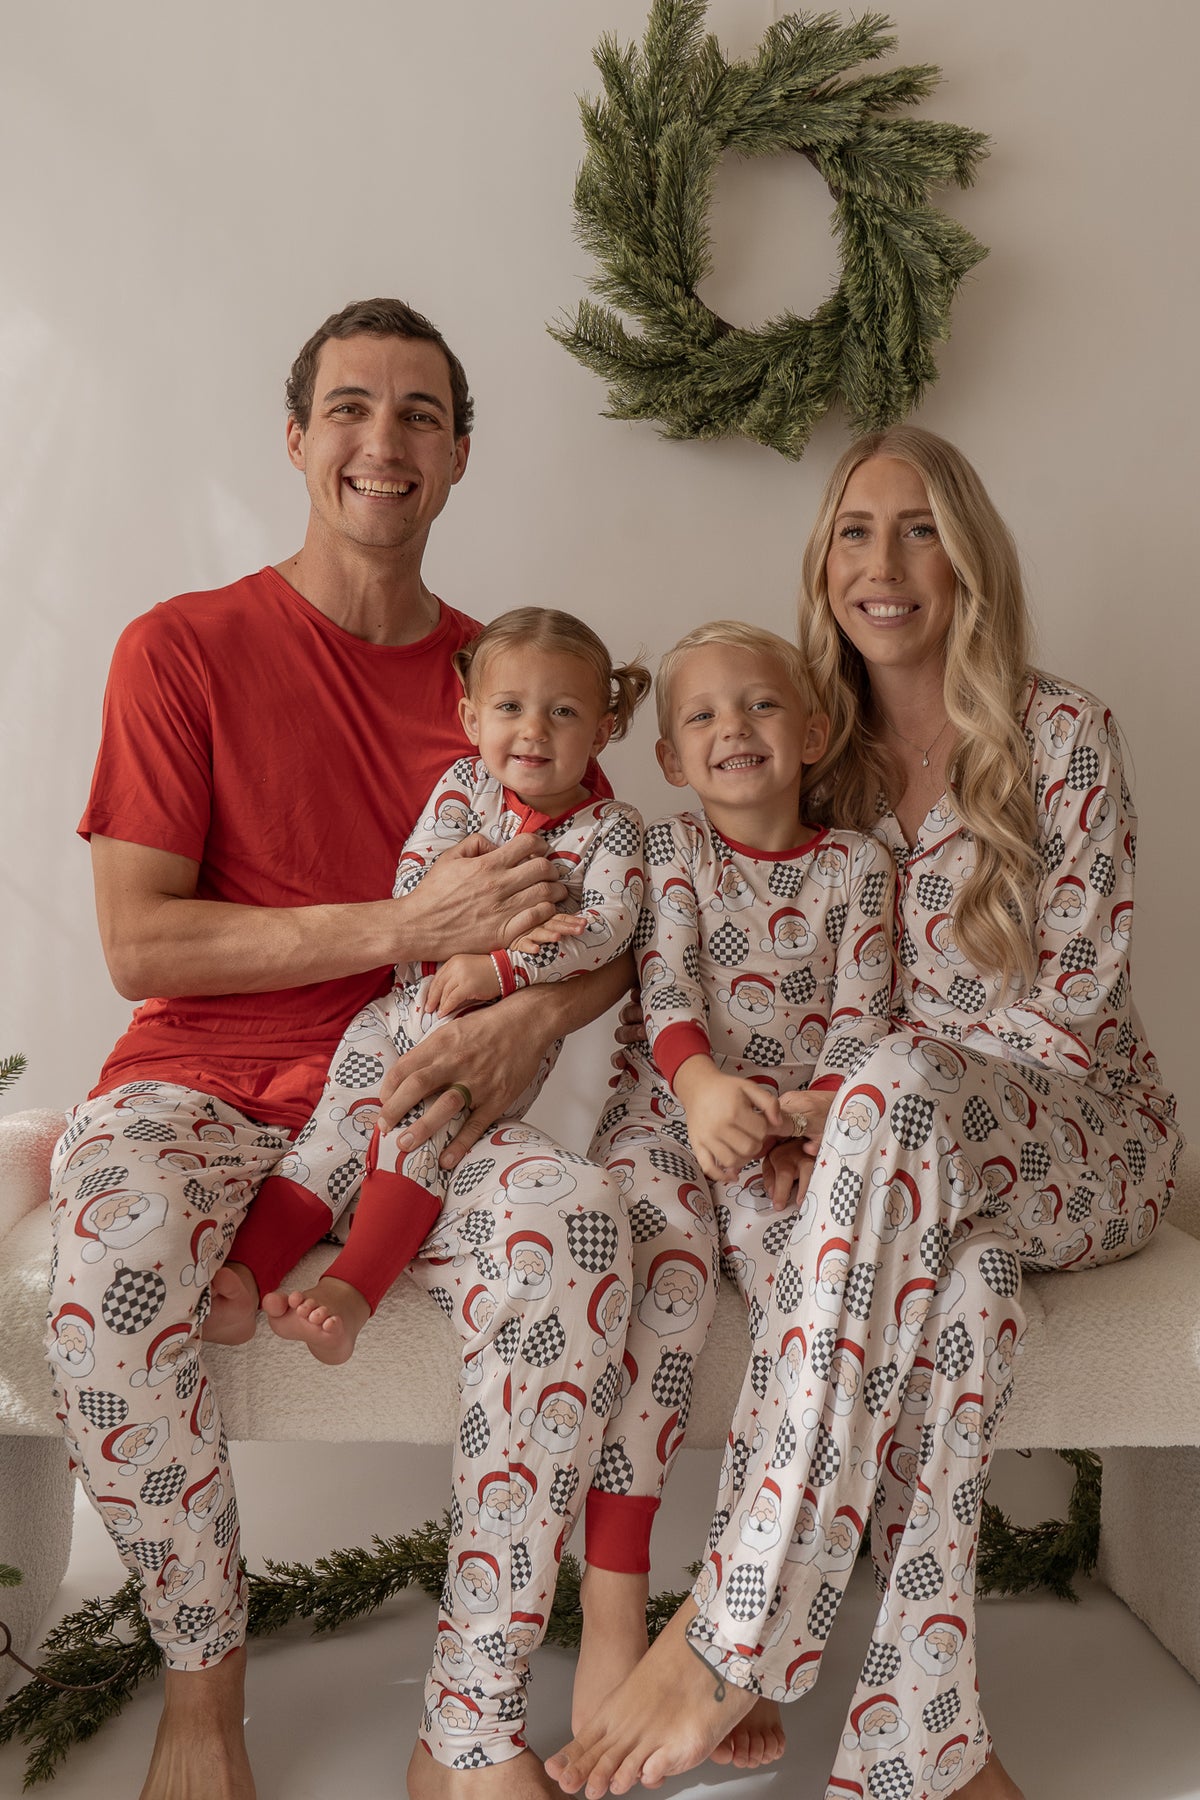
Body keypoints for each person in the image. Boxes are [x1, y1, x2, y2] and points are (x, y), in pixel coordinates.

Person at [44, 298, 634, 1800]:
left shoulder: (505, 682)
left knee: (573, 1227)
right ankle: (204, 1691)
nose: (387, 441)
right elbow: (144, 944)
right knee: (104, 1271)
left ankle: (468, 1727)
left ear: (460, 459)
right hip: (195, 1083)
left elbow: (607, 917)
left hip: (422, 1099)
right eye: (354, 408)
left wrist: (531, 1020)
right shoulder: (180, 650)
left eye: (423, 414)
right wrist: (402, 922)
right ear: (299, 439)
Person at [547, 427, 1183, 1800]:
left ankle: (727, 1632)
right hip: (882, 1171)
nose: (882, 564)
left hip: (1074, 1141)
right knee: (969, 1294)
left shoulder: (1063, 735)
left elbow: (1063, 1016)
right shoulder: (803, 757)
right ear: (819, 562)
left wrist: (827, 1105)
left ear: (970, 557)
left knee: (897, 1089)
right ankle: (925, 1748)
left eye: (917, 529)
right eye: (853, 530)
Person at [572, 621, 897, 1758]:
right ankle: (613, 1615)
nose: (733, 730)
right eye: (703, 715)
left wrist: (810, 1136)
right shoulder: (671, 853)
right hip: (669, 1119)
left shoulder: (859, 866)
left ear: (812, 732)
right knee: (662, 1294)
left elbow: (862, 1021)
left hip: (791, 1142)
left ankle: (738, 1631)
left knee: (798, 1307)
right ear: (670, 756)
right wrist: (704, 1090)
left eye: (760, 706)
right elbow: (665, 988)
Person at [221, 606, 649, 1363]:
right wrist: (500, 913)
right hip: (394, 1012)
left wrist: (503, 966)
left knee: (414, 1138)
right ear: (471, 717)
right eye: (511, 708)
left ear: (604, 729)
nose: (534, 731)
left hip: (481, 1042)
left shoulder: (610, 831)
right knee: (334, 1133)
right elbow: (418, 882)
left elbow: (608, 928)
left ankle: (349, 1295)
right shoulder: (462, 787)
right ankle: (244, 1277)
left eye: (564, 712)